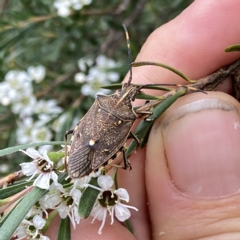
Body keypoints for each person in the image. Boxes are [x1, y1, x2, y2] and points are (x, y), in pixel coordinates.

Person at [47, 0, 240, 239]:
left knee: (80, 138)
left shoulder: (104, 103)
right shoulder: (130, 114)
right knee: (125, 142)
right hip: (97, 147)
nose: (132, 90)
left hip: (86, 143)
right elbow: (124, 143)